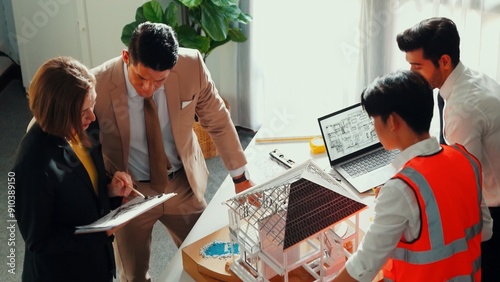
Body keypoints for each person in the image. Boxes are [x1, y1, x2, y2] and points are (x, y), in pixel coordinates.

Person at [91, 22, 253, 281]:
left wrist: (240, 177)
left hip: (181, 183)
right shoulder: (98, 82)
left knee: (209, 258)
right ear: (126, 57)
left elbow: (217, 120)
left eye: (159, 81)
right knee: (133, 276)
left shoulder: (192, 65)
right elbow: (68, 129)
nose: (148, 89)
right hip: (130, 193)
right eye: (141, 78)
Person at [333, 70, 492, 281]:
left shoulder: (401, 189)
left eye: (374, 120)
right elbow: (486, 230)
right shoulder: (466, 160)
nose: (374, 128)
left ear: (392, 122)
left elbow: (364, 266)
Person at [12, 56, 134, 282]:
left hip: (97, 265)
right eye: (83, 112)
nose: (93, 117)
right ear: (58, 113)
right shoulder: (31, 166)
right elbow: (39, 241)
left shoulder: (85, 127)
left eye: (93, 105)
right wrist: (101, 234)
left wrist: (110, 190)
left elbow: (81, 188)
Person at [396, 17, 500, 281]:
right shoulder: (468, 79)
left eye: (417, 66)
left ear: (444, 61)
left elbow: (458, 181)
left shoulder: (463, 109)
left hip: (491, 210)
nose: (411, 74)